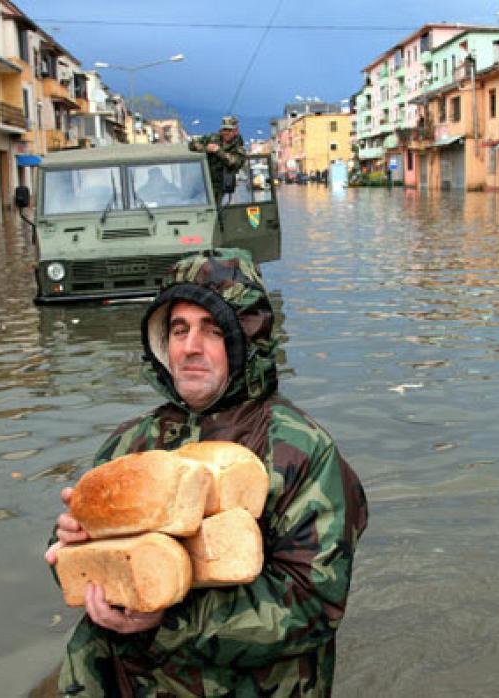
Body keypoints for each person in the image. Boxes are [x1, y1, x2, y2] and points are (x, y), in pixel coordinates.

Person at [45, 248, 368, 696]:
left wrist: (165, 617)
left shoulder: (301, 452)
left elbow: (313, 606)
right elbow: (78, 567)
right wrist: (72, 542)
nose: (190, 347)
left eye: (212, 330)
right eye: (179, 329)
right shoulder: (131, 443)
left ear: (245, 342)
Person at [188, 115, 247, 203]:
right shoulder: (212, 138)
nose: (226, 132)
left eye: (229, 130)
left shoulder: (238, 147)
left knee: (215, 209)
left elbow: (234, 162)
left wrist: (218, 151)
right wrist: (205, 148)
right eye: (224, 129)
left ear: (236, 131)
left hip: (221, 186)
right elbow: (192, 145)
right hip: (202, 181)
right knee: (190, 202)